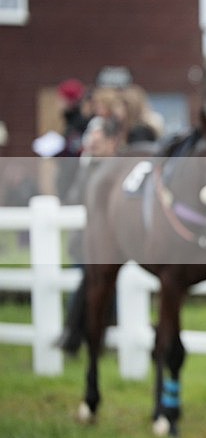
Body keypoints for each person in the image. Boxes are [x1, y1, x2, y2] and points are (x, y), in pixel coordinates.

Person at [55, 115, 124, 353]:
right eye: (91, 141)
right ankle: (79, 336)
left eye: (98, 141)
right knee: (91, 287)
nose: (92, 146)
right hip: (85, 242)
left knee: (100, 288)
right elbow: (74, 199)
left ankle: (79, 336)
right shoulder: (86, 167)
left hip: (110, 243)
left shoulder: (119, 169)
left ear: (113, 142)